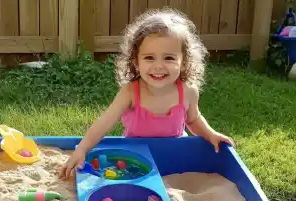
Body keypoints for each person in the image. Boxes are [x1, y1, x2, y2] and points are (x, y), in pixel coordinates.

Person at [59, 8, 235, 180]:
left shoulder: (188, 91)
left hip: (175, 158)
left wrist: (210, 134)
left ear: (183, 62)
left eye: (169, 58)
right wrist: (82, 149)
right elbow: (105, 122)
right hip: (135, 158)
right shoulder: (131, 92)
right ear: (136, 62)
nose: (158, 66)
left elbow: (193, 119)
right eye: (149, 58)